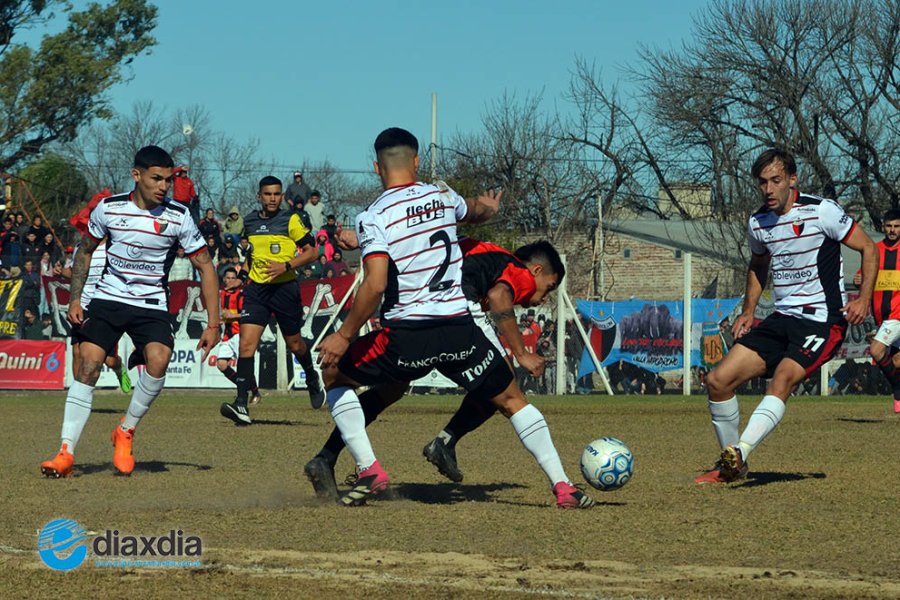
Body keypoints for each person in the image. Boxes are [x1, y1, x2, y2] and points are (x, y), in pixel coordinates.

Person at [310, 127, 594, 508]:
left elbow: (376, 284)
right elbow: (472, 212)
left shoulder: (373, 215)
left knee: (333, 373)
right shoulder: (442, 195)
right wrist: (487, 209)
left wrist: (344, 334)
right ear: (416, 161)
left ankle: (369, 467)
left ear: (376, 167)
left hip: (407, 336)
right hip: (459, 331)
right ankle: (564, 488)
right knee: (511, 397)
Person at [305, 238, 566, 492]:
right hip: (452, 313)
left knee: (392, 387)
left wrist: (365, 240)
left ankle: (326, 457)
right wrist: (522, 353)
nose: (544, 298)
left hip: (412, 309)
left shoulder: (483, 252)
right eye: (549, 286)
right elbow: (499, 296)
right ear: (537, 269)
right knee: (506, 386)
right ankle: (447, 441)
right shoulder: (517, 269)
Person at [695, 148, 876, 484]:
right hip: (781, 318)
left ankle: (742, 451)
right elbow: (758, 265)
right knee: (718, 382)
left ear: (792, 179)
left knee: (782, 378)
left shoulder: (822, 211)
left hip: (822, 320)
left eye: (776, 180)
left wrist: (863, 300)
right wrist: (748, 312)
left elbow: (869, 248)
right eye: (762, 182)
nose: (768, 189)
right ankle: (732, 463)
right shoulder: (758, 222)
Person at [40, 145, 220, 479]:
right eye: (156, 179)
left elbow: (206, 267)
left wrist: (213, 322)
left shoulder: (178, 216)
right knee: (89, 364)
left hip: (151, 302)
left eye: (167, 179)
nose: (163, 186)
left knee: (159, 359)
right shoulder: (108, 209)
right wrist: (76, 299)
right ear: (136, 176)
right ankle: (65, 452)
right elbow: (85, 251)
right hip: (108, 299)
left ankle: (125, 431)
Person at [218, 175, 323, 425]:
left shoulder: (291, 219)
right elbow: (251, 257)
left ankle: (311, 376)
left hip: (285, 289)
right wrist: (243, 275)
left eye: (276, 194)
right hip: (257, 292)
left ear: (281, 196)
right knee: (246, 346)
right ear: (259, 196)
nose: (272, 198)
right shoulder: (251, 221)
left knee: (295, 344)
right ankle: (241, 404)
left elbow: (312, 252)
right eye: (268, 194)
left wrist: (286, 265)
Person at [68, 239, 132, 394]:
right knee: (77, 351)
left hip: (103, 305)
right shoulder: (80, 247)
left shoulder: (114, 245)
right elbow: (74, 273)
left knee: (109, 361)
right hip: (82, 306)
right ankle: (78, 396)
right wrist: (61, 272)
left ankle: (119, 368)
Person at [858, 209, 900, 413]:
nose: (892, 230)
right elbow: (863, 276)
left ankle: (898, 389)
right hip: (881, 316)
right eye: (889, 226)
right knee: (894, 362)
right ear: (883, 226)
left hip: (897, 314)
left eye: (896, 226)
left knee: (875, 350)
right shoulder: (874, 250)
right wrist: (860, 280)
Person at [215, 267, 261, 404]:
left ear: (237, 280)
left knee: (244, 366)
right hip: (227, 335)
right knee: (221, 364)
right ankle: (244, 387)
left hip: (238, 333)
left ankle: (255, 392)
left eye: (233, 278)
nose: (230, 281)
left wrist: (232, 315)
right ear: (224, 279)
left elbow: (247, 314)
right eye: (228, 278)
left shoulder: (240, 295)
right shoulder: (222, 294)